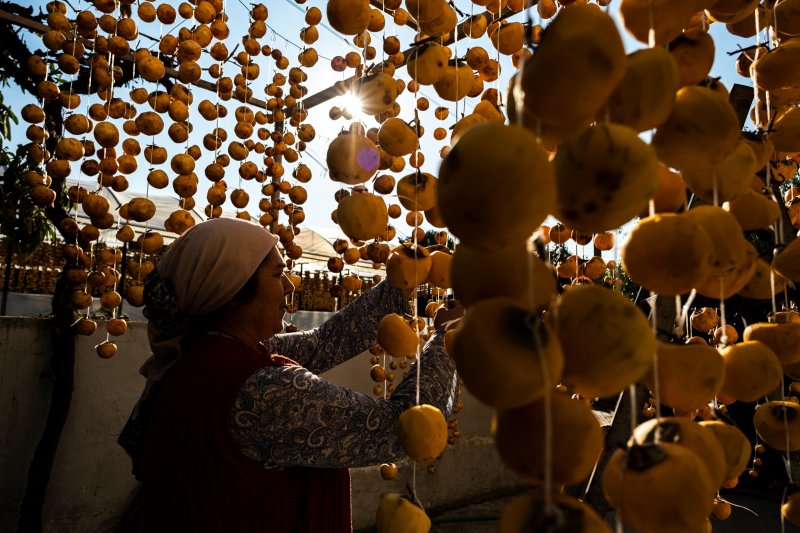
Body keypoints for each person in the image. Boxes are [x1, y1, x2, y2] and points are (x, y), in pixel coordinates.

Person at [118, 217, 459, 532]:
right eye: (278, 274)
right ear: (235, 292)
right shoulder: (262, 390)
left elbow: (323, 343)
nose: (290, 285)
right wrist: (448, 337)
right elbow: (398, 430)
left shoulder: (197, 356)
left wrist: (403, 283)